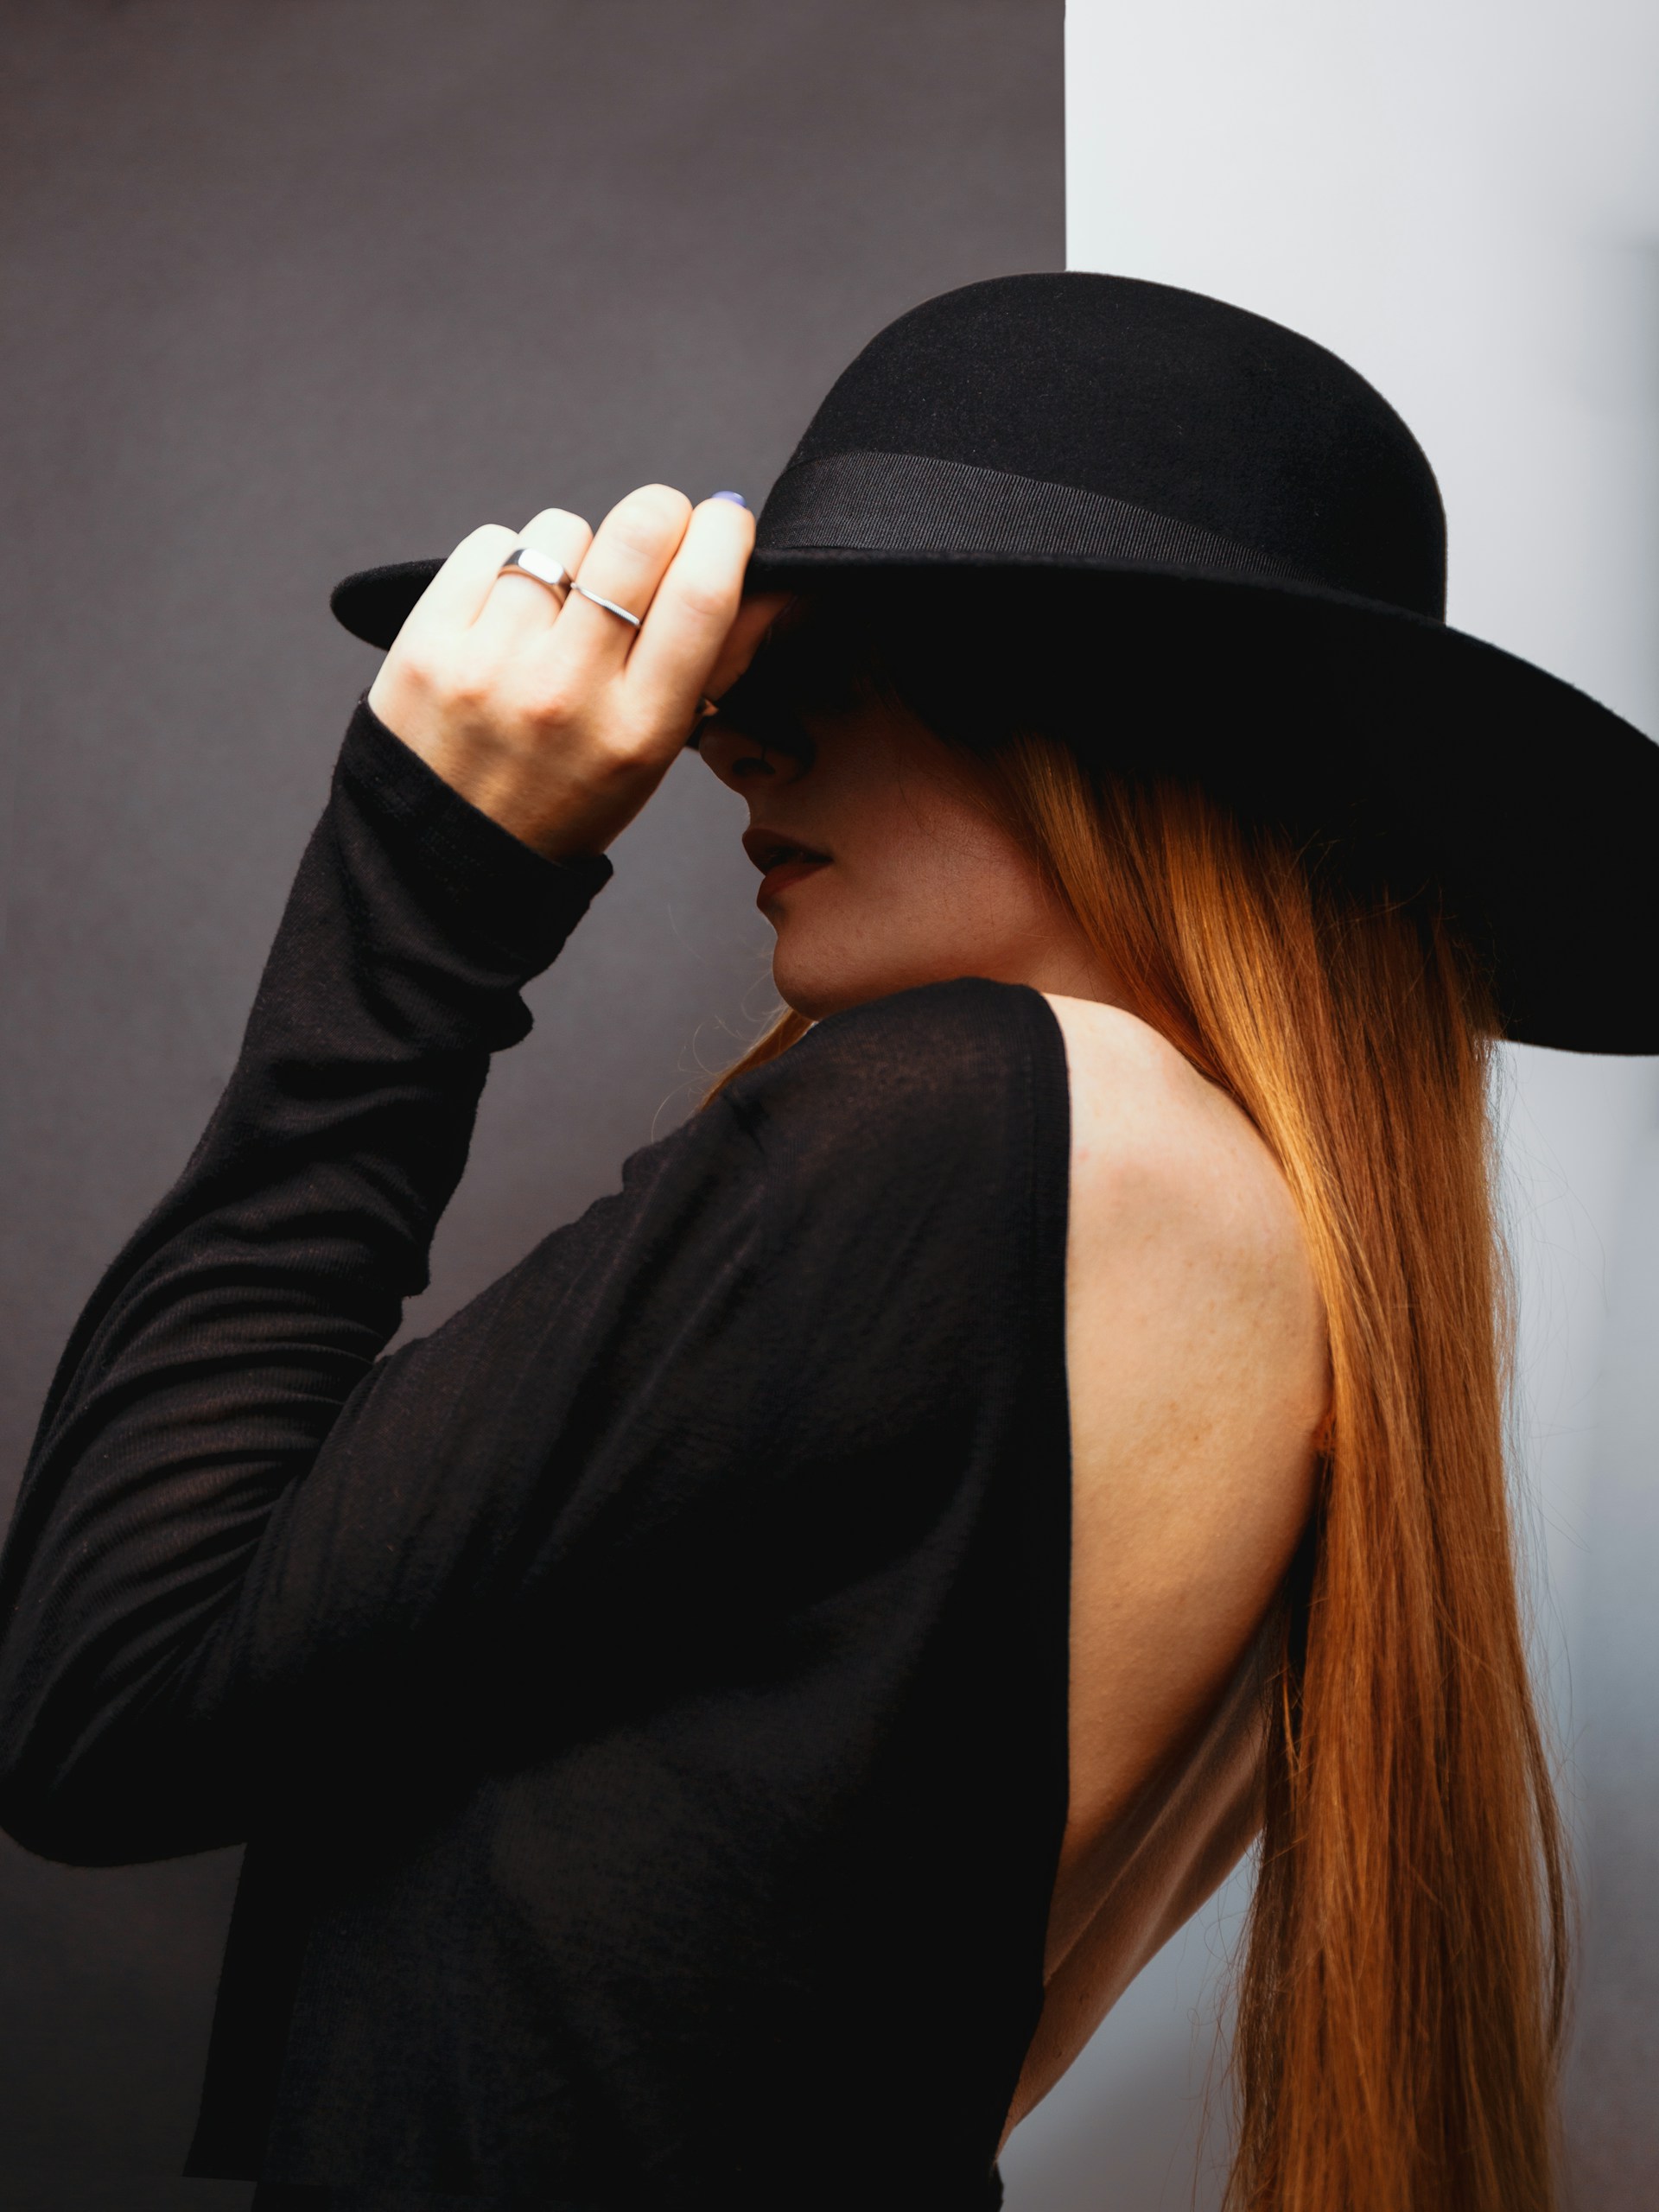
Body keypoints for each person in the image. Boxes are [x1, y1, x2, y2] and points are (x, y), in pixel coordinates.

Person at [1, 273, 1654, 2212]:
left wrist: (424, 879)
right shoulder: (1301, 1272)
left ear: (1148, 712)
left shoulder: (969, 1118)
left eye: (856, 650)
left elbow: (104, 1683)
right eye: (742, 674)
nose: (736, 749)